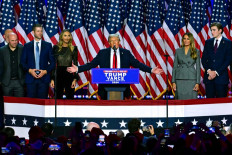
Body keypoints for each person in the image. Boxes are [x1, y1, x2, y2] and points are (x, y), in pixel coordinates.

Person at [67, 34, 163, 99]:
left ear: (119, 42)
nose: (114, 43)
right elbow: (91, 64)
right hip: (105, 87)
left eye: (115, 40)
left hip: (122, 86)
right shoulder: (103, 53)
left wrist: (151, 70)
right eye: (111, 41)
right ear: (108, 43)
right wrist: (78, 68)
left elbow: (137, 64)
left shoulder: (126, 53)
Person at [20, 24, 55, 99]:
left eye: (41, 31)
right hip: (30, 80)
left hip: (44, 80)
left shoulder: (48, 45)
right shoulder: (27, 46)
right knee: (31, 104)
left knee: (42, 105)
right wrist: (30, 70)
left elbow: (52, 63)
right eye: (38, 31)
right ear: (33, 32)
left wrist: (45, 71)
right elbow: (22, 62)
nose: (40, 33)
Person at [202, 22, 232, 98]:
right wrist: (209, 71)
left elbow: (228, 60)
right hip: (209, 79)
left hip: (221, 79)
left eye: (214, 30)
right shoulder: (208, 42)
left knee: (221, 105)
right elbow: (204, 59)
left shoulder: (228, 43)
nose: (212, 32)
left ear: (220, 30)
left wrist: (215, 72)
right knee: (209, 104)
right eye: (211, 30)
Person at [50, 30, 79, 99]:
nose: (67, 37)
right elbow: (53, 64)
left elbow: (75, 64)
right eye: (65, 35)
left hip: (69, 74)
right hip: (58, 75)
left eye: (69, 35)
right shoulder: (56, 48)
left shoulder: (74, 48)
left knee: (70, 97)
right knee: (58, 97)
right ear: (61, 37)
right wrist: (52, 79)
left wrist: (75, 79)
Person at [172, 32, 200, 99]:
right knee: (179, 101)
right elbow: (174, 67)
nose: (186, 40)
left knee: (191, 101)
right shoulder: (178, 51)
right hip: (179, 79)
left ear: (191, 40)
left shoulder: (196, 51)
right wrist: (173, 81)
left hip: (191, 79)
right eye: (184, 39)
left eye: (188, 39)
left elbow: (198, 67)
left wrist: (197, 82)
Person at [0, 33, 25, 97]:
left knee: (20, 104)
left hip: (19, 82)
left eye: (16, 40)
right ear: (8, 40)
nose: (15, 42)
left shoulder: (22, 49)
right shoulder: (2, 50)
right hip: (6, 82)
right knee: (7, 105)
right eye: (12, 40)